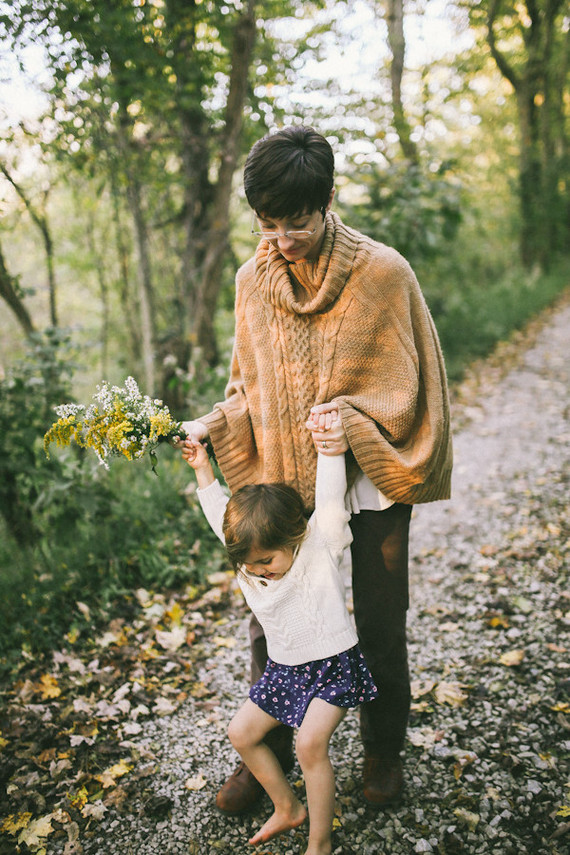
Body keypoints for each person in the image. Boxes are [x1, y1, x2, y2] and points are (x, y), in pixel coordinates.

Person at [179, 125, 453, 811]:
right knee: (270, 614)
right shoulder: (252, 280)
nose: (279, 240)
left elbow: (410, 386)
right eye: (266, 225)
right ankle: (268, 754)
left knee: (382, 624)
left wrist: (351, 420)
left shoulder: (383, 273)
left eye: (294, 223)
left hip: (371, 479)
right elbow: (248, 388)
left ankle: (382, 750)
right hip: (285, 480)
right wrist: (210, 427)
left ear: (329, 199)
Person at [183, 432, 377, 854]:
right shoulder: (250, 563)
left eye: (266, 561)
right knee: (241, 733)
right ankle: (287, 806)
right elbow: (221, 519)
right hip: (284, 669)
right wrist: (202, 468)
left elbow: (328, 504)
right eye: (249, 565)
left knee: (310, 744)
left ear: (294, 539)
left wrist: (331, 452)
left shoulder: (318, 547)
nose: (259, 572)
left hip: (332, 666)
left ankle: (319, 844)